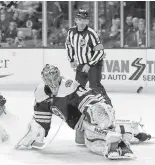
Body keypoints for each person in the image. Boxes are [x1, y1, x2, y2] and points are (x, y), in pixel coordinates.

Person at [15, 64, 138, 160]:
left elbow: (87, 99)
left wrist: (94, 113)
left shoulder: (69, 85)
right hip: (77, 123)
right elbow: (42, 120)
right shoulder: (40, 94)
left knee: (94, 136)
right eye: (49, 78)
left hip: (86, 115)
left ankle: (125, 136)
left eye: (54, 77)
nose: (52, 81)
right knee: (80, 141)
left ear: (59, 76)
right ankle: (125, 130)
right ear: (44, 79)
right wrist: (35, 136)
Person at [65, 9, 112, 144]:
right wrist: (71, 60)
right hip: (80, 65)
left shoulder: (91, 34)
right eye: (79, 19)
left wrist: (90, 64)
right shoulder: (71, 32)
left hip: (94, 64)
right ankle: (82, 115)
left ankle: (108, 107)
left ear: (87, 21)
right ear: (75, 20)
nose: (81, 22)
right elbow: (68, 46)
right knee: (78, 90)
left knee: (94, 86)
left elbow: (100, 52)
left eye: (84, 19)